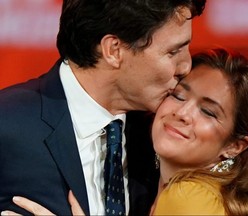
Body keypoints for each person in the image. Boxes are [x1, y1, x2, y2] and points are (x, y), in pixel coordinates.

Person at [5, 48, 248, 215]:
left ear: (235, 146)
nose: (182, 113)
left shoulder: (189, 199)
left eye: (208, 112)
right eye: (178, 95)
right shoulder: (184, 191)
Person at [0, 0, 206, 215]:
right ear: (113, 50)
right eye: (173, 52)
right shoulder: (6, 124)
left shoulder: (163, 137)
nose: (186, 66)